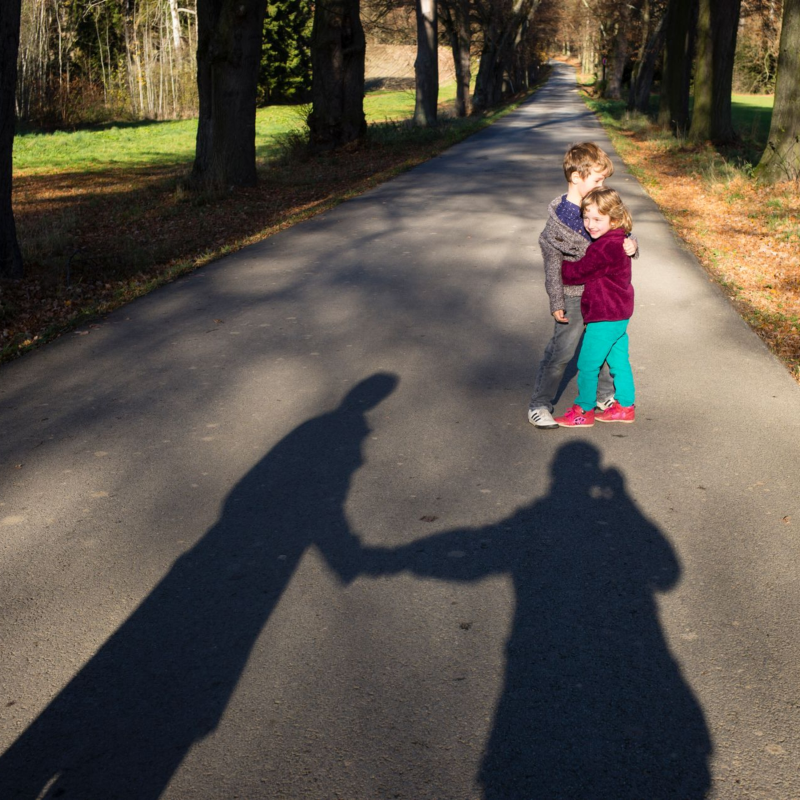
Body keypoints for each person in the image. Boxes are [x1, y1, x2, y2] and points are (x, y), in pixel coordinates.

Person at [528, 142, 638, 430]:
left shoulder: (598, 202)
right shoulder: (557, 224)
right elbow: (553, 268)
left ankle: (604, 398)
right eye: (598, 179)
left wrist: (632, 244)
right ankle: (540, 403)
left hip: (604, 296)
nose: (603, 184)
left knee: (600, 351)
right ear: (577, 177)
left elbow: (620, 230)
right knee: (562, 352)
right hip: (574, 296)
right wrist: (557, 302)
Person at [554, 187, 636, 427]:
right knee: (619, 362)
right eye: (586, 218)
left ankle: (584, 410)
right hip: (619, 314)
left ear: (615, 219)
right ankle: (625, 406)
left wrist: (559, 263)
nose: (590, 224)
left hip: (605, 315)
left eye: (598, 219)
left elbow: (578, 273)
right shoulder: (619, 238)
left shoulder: (605, 247)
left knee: (588, 365)